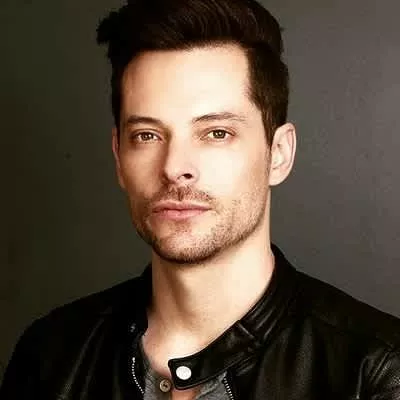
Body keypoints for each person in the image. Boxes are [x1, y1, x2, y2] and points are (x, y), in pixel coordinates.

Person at [1, 0, 400, 398]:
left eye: (216, 133)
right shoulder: (51, 358)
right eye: (147, 135)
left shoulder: (377, 373)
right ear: (119, 158)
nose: (175, 167)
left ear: (278, 154)